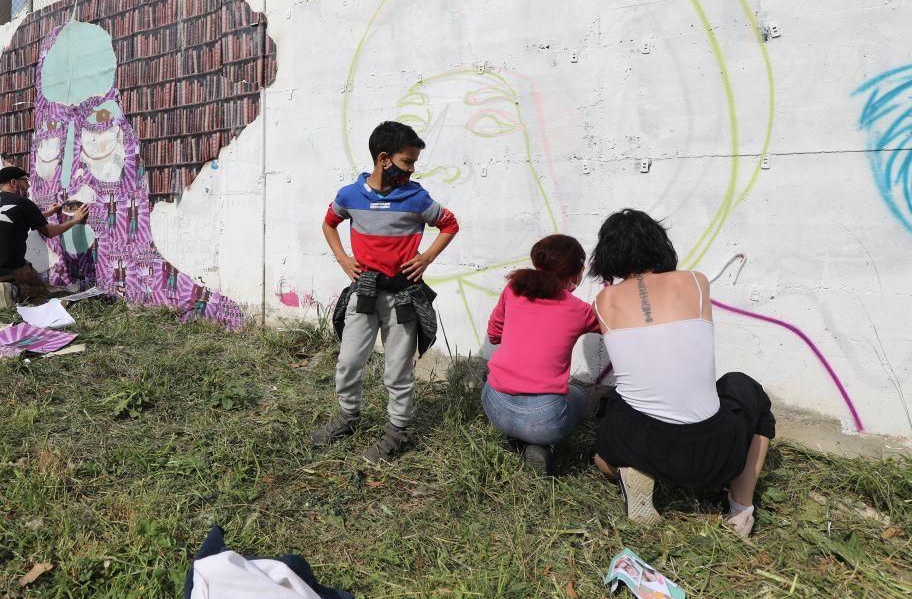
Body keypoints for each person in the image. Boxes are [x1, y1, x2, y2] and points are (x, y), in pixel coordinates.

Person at [588, 209, 774, 539]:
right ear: (659, 244)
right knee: (745, 386)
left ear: (608, 254)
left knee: (615, 403)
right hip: (714, 453)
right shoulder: (695, 281)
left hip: (640, 442)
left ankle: (630, 469)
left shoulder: (604, 301)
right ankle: (741, 508)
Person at [313, 120, 460, 463]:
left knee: (398, 370)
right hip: (363, 294)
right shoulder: (349, 195)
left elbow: (450, 224)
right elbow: (329, 223)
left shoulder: (416, 197)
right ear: (384, 159)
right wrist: (342, 259)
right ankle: (348, 417)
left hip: (402, 299)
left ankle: (398, 432)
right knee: (349, 361)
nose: (411, 170)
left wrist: (425, 258)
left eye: (413, 164)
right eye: (407, 162)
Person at [483, 234, 599, 474]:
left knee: (526, 410)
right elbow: (611, 326)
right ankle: (543, 446)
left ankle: (518, 440)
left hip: (494, 404)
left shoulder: (513, 289)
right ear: (576, 272)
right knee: (578, 395)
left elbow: (494, 334)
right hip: (544, 421)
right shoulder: (578, 310)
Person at [0, 166, 89, 307]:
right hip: (6, 265)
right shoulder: (24, 203)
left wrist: (47, 213)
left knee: (8, 269)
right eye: (25, 181)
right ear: (14, 183)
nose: (28, 185)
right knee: (40, 289)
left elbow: (16, 217)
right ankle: (13, 290)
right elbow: (49, 232)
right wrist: (74, 220)